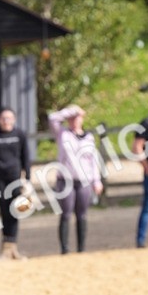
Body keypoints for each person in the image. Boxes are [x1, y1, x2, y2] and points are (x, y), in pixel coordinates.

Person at [47, 104, 103, 253]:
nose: (74, 121)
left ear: (82, 119)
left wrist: (96, 180)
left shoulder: (89, 137)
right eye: (71, 118)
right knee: (65, 213)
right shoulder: (63, 134)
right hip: (66, 180)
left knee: (82, 214)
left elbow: (93, 161)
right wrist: (71, 110)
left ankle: (81, 247)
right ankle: (65, 248)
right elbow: (52, 118)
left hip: (84, 180)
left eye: (76, 118)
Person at [0, 108, 32, 259]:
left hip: (16, 179)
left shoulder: (20, 135)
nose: (6, 121)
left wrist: (28, 180)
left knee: (15, 211)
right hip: (0, 180)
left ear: (14, 119)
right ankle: (6, 248)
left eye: (9, 118)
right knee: (4, 212)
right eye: (3, 118)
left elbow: (26, 157)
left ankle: (13, 248)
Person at [132, 109, 148, 248]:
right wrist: (147, 167)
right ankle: (140, 240)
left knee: (147, 207)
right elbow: (137, 147)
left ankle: (140, 240)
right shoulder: (147, 124)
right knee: (147, 207)